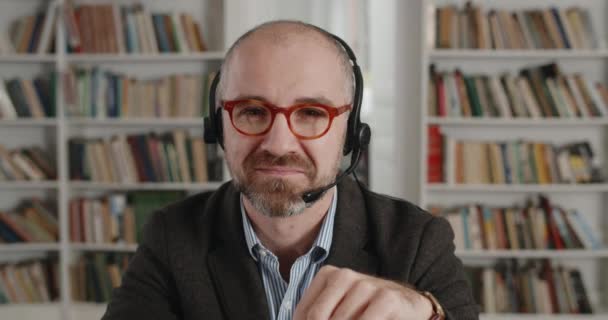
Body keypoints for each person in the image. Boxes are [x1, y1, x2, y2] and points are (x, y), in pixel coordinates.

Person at [102, 20, 479, 320]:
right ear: (218, 126)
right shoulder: (171, 236)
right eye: (252, 111)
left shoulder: (417, 240)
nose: (279, 145)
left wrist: (428, 313)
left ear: (350, 132)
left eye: (312, 113)